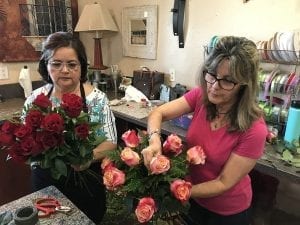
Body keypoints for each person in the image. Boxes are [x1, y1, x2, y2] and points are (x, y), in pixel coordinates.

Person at [142, 36, 268, 225]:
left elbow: (223, 182)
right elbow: (158, 113)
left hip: (228, 212)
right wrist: (154, 141)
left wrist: (179, 189)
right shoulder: (201, 96)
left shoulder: (254, 130)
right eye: (211, 75)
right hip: (194, 199)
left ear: (244, 85)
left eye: (227, 81)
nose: (214, 86)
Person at [23, 32, 117, 224]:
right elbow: (24, 137)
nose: (64, 70)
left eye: (72, 64)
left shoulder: (97, 99)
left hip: (84, 180)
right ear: (46, 66)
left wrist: (86, 158)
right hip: (44, 178)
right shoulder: (35, 98)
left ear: (81, 67)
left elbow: (111, 142)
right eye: (56, 64)